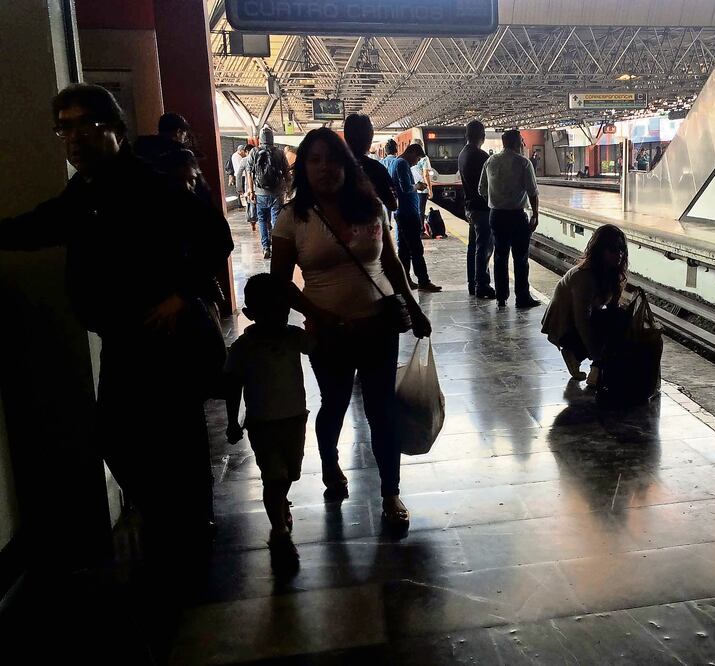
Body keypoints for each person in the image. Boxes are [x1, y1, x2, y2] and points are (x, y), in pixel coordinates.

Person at [0, 83, 233, 558]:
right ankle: (174, 517)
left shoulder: (153, 184)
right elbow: (42, 224)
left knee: (172, 433)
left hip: (165, 336)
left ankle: (189, 522)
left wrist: (181, 294)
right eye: (65, 128)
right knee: (124, 437)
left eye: (88, 124)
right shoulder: (85, 191)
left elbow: (216, 239)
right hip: (123, 336)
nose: (75, 138)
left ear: (118, 131)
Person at [270, 128, 432, 527]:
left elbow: (391, 264)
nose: (326, 168)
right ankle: (329, 464)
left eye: (334, 159)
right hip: (330, 335)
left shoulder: (372, 207)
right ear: (303, 168)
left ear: (347, 164)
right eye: (315, 160)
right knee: (335, 404)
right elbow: (279, 283)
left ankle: (391, 494)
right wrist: (319, 316)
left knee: (382, 412)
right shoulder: (293, 218)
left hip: (379, 326)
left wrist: (413, 306)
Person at [224, 273, 314, 572]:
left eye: (282, 311)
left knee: (290, 472)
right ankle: (279, 529)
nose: (278, 318)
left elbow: (317, 344)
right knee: (274, 476)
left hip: (294, 420)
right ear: (250, 315)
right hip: (262, 424)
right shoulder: (242, 348)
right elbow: (232, 385)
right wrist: (233, 421)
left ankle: (279, 503)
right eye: (271, 312)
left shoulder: (292, 337)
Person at [542, 225, 628, 386]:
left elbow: (612, 310)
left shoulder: (612, 273)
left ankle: (587, 359)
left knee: (620, 318)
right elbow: (582, 320)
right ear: (600, 250)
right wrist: (597, 357)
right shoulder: (584, 277)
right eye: (613, 249)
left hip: (579, 321)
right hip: (565, 327)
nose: (619, 254)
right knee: (613, 322)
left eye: (621, 249)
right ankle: (578, 354)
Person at [479, 129, 541, 309]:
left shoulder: (490, 161)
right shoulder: (524, 163)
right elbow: (533, 193)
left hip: (496, 216)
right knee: (520, 258)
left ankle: (501, 298)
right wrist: (535, 215)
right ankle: (522, 298)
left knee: (500, 256)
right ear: (518, 142)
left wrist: (495, 201)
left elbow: (482, 190)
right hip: (516, 216)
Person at [388, 142, 442, 291]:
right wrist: (418, 186)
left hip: (402, 212)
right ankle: (424, 281)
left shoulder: (396, 162)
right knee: (416, 249)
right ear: (411, 152)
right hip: (407, 213)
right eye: (417, 159)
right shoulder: (402, 164)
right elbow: (405, 188)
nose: (416, 162)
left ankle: (405, 280)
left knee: (405, 250)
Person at [457, 120, 496, 299]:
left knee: (473, 247)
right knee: (484, 247)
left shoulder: (462, 155)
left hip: (470, 207)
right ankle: (482, 284)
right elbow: (490, 184)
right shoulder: (481, 156)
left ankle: (472, 283)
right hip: (482, 208)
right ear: (483, 136)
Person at [246, 126, 290, 259]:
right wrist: (289, 189)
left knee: (262, 220)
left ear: (260, 138)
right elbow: (287, 172)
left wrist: (251, 190)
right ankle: (277, 247)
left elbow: (249, 171)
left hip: (260, 193)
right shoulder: (279, 153)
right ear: (272, 138)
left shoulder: (254, 152)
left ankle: (266, 247)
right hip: (277, 192)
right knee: (276, 221)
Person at [343, 113, 398, 213]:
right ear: (369, 140)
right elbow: (393, 205)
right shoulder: (376, 168)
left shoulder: (334, 166)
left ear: (346, 137)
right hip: (368, 224)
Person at [410, 140, 432, 228]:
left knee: (414, 209)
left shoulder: (409, 158)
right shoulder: (424, 158)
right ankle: (421, 229)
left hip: (412, 186)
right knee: (421, 210)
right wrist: (430, 189)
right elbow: (426, 174)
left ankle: (415, 228)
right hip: (422, 187)